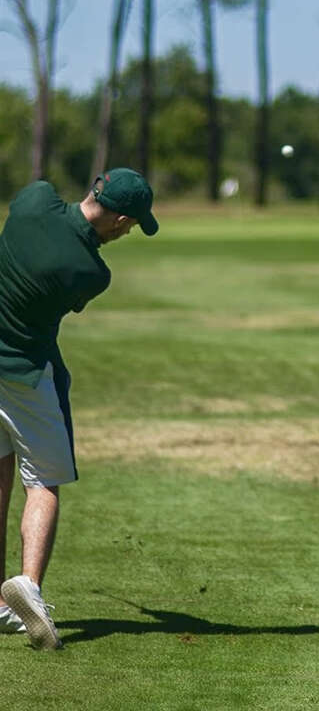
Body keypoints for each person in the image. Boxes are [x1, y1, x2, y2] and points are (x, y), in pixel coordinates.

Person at [0, 169, 158, 650]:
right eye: (132, 226)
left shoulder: (34, 200)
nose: (126, 234)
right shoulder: (91, 272)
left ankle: (1, 606)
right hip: (26, 375)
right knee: (42, 482)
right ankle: (28, 586)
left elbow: (40, 192)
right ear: (120, 219)